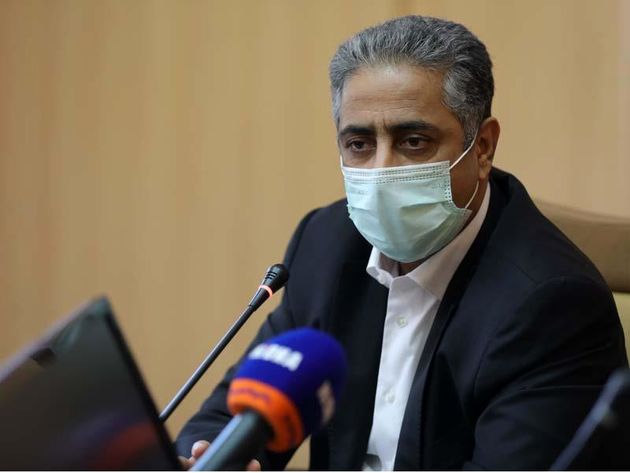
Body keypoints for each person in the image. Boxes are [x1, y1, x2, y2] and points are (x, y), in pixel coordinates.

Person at [176, 15, 628, 470]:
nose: (382, 171)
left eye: (413, 141)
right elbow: (234, 414)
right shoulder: (326, 243)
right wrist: (210, 458)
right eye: (359, 143)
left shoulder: (554, 305)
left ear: (483, 147)